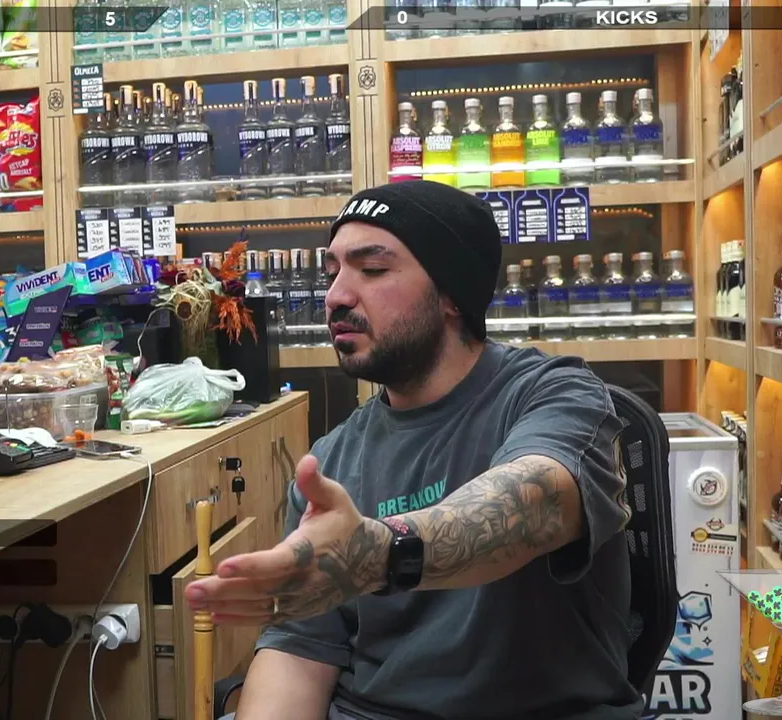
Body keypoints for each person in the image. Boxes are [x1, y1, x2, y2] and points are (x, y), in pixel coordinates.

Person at [186, 181, 642, 719]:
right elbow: (300, 656)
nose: (336, 296)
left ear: (452, 294)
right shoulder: (331, 460)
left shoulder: (556, 394)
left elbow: (536, 502)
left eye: (373, 269)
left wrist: (380, 554)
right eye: (333, 272)